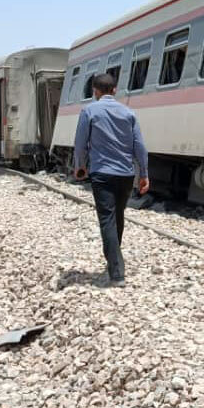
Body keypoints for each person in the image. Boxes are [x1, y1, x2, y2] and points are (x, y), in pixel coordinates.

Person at [72, 73, 150, 287]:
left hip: (102, 173)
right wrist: (143, 173)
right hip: (126, 174)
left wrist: (79, 166)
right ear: (115, 90)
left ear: (95, 91)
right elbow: (140, 146)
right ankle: (114, 261)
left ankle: (116, 273)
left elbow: (80, 143)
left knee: (107, 219)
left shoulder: (89, 111)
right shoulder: (129, 113)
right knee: (117, 217)